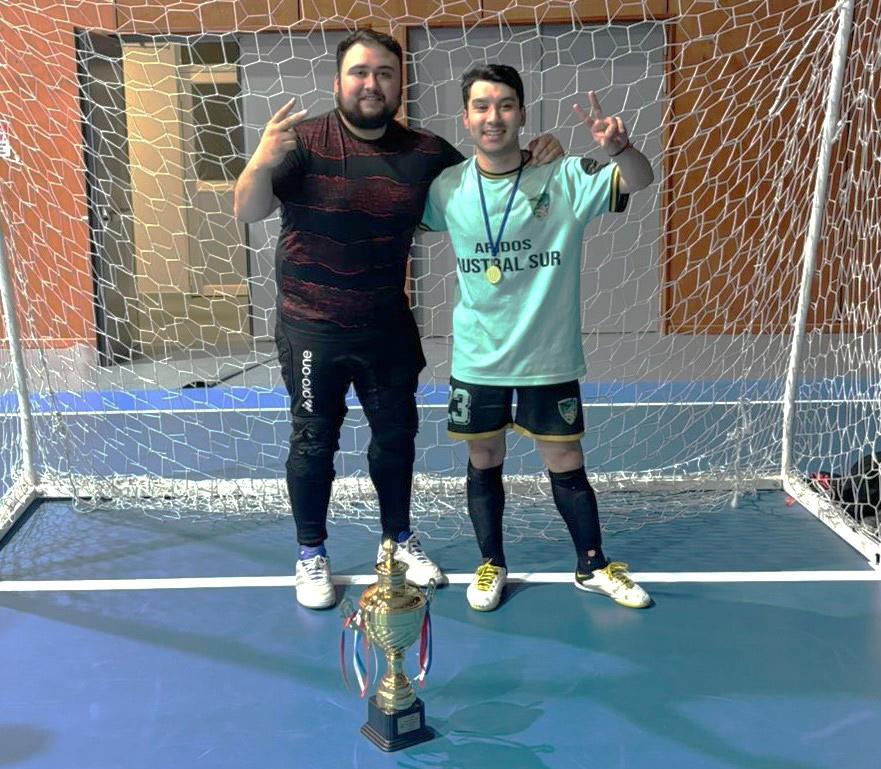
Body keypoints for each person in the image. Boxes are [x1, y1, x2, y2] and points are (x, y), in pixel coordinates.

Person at [234, 32, 562, 609]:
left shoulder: (425, 152)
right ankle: (311, 552)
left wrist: (538, 157)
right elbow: (248, 209)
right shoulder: (302, 142)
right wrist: (261, 159)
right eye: (360, 72)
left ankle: (398, 540)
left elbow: (489, 178)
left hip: (386, 325)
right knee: (313, 440)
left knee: (396, 438)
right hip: (312, 326)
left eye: (385, 73)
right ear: (338, 81)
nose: (372, 84)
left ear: (399, 83)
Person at [421, 64, 655, 611]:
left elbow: (638, 180)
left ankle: (592, 564)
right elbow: (393, 216)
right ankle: (491, 564)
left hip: (547, 357)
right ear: (466, 118)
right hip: (479, 357)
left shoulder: (564, 175)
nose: (493, 116)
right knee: (484, 456)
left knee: (566, 459)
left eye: (505, 105)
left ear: (522, 114)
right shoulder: (447, 187)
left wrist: (621, 149)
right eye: (481, 106)